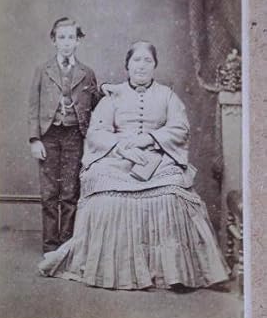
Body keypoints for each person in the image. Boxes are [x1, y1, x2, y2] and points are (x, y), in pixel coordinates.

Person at [38, 40, 230, 291]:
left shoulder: (167, 96)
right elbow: (97, 132)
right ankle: (113, 270)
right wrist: (122, 147)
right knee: (106, 197)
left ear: (155, 66)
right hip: (116, 158)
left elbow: (180, 128)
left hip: (158, 158)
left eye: (147, 61)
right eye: (136, 60)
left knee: (173, 195)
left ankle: (174, 272)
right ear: (127, 66)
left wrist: (150, 139)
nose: (141, 66)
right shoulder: (112, 96)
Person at [29, 17, 111, 253]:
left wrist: (104, 90)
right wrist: (35, 139)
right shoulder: (43, 70)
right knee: (49, 193)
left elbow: (95, 102)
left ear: (78, 42)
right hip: (49, 136)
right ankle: (50, 246)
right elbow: (33, 106)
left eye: (71, 38)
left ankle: (67, 245)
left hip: (75, 136)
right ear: (54, 41)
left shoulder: (86, 73)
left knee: (69, 191)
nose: (66, 43)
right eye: (62, 37)